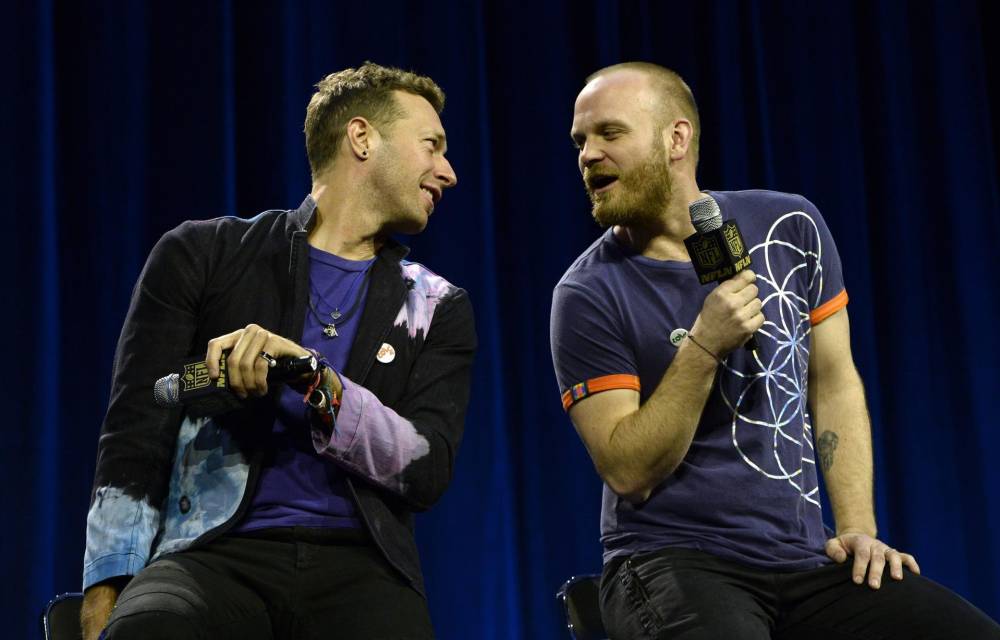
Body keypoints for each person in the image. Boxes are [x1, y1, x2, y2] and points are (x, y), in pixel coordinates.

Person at [550, 61, 1000, 639]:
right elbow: (628, 470)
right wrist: (705, 345)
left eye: (609, 134)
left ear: (676, 138)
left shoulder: (790, 225)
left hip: (804, 561)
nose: (588, 155)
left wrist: (858, 527)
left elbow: (832, 381)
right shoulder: (587, 293)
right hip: (671, 560)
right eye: (580, 141)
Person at [80, 62, 475, 640]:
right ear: (362, 138)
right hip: (212, 555)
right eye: (432, 146)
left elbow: (428, 468)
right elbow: (138, 426)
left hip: (359, 565)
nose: (449, 172)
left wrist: (318, 381)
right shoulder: (202, 253)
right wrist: (105, 591)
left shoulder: (436, 306)